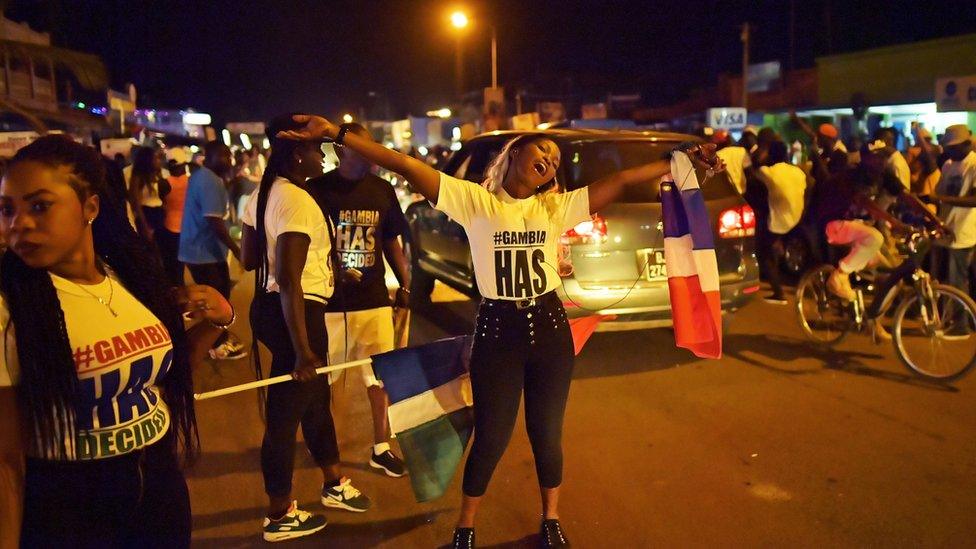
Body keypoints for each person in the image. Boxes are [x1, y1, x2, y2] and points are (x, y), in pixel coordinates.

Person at [276, 114, 724, 548]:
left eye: (553, 159)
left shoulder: (555, 206)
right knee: (492, 436)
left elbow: (624, 181)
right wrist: (337, 135)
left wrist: (678, 159)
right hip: (497, 332)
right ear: (513, 154)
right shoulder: (475, 202)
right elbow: (406, 164)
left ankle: (551, 520)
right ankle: (465, 528)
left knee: (547, 433)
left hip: (549, 330)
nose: (549, 159)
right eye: (541, 150)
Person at [0, 135, 233, 547]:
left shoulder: (128, 277)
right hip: (72, 505)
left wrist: (218, 320)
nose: (19, 224)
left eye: (39, 206)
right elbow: (6, 465)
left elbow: (161, 379)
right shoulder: (10, 307)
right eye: (7, 210)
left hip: (158, 485)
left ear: (90, 207)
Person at [241, 116, 372, 543]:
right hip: (296, 317)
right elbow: (290, 278)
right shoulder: (295, 199)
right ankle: (278, 513)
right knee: (283, 419)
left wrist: (329, 267)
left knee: (317, 403)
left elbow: (248, 259)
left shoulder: (261, 194)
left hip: (269, 309)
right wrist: (302, 350)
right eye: (318, 148)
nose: (323, 154)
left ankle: (333, 483)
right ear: (299, 153)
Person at [307, 123, 409, 479]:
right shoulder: (317, 191)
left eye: (369, 144)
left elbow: (392, 241)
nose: (367, 151)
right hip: (331, 304)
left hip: (375, 299)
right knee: (330, 380)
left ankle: (381, 447)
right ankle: (329, 451)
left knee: (380, 378)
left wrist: (406, 286)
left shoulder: (382, 190)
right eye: (357, 145)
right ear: (340, 151)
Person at [179, 141, 246, 360]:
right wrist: (237, 250)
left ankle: (216, 337)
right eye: (224, 156)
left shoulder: (203, 176)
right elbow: (214, 222)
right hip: (204, 252)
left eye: (229, 156)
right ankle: (216, 345)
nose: (229, 160)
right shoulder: (209, 180)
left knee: (215, 298)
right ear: (210, 157)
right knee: (218, 300)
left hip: (199, 250)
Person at [926, 125, 976, 324]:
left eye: (953, 147)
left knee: (957, 281)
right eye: (947, 147)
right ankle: (953, 319)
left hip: (964, 232)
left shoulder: (973, 164)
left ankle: (960, 326)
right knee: (946, 279)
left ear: (967, 144)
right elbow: (938, 196)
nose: (949, 151)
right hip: (946, 229)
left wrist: (940, 198)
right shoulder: (947, 165)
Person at [749, 140, 807, 305]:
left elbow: (753, 168)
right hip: (797, 219)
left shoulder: (769, 172)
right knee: (776, 251)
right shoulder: (798, 172)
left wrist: (759, 153)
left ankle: (778, 293)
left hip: (778, 221)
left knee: (764, 254)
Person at [159, 154, 190, 287]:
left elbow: (162, 202)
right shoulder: (190, 181)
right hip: (185, 228)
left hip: (169, 226)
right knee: (179, 267)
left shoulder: (164, 183)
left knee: (169, 264)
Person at [127, 146, 168, 242]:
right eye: (155, 158)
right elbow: (136, 203)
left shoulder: (157, 175)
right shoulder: (138, 177)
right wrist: (145, 226)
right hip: (147, 215)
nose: (157, 161)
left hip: (159, 214)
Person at [714, 129, 751, 195]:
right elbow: (749, 172)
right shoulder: (741, 151)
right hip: (744, 192)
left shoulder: (717, 155)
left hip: (728, 193)